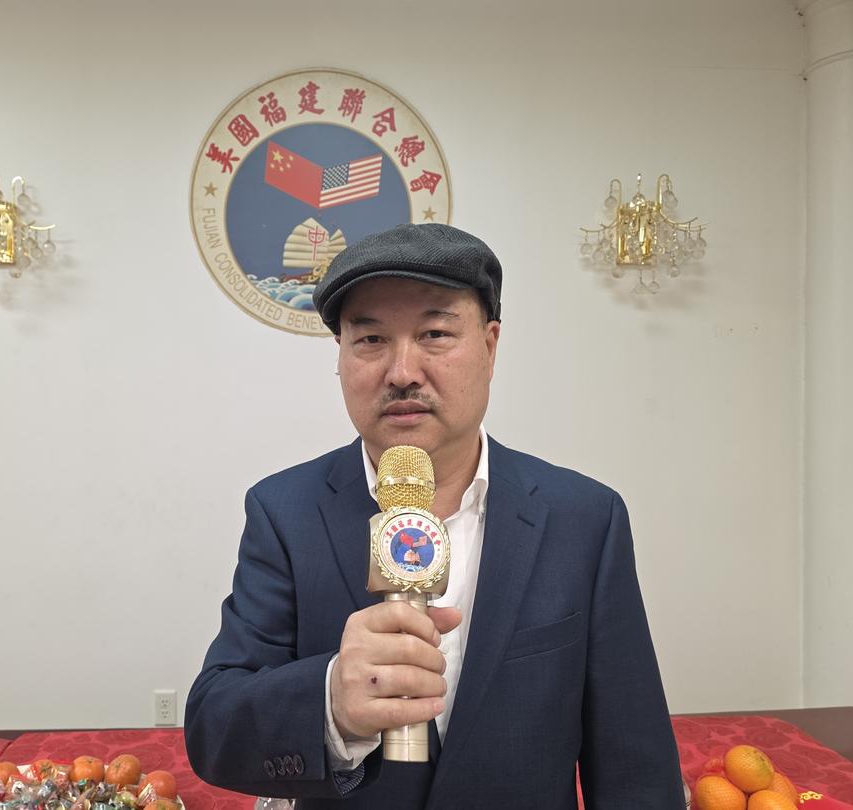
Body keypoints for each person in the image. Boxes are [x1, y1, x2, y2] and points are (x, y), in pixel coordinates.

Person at [185, 223, 683, 809]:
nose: (402, 372)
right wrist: (331, 702)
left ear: (490, 347)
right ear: (340, 357)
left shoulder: (584, 518)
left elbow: (634, 767)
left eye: (435, 333)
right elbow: (214, 727)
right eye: (371, 339)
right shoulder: (284, 511)